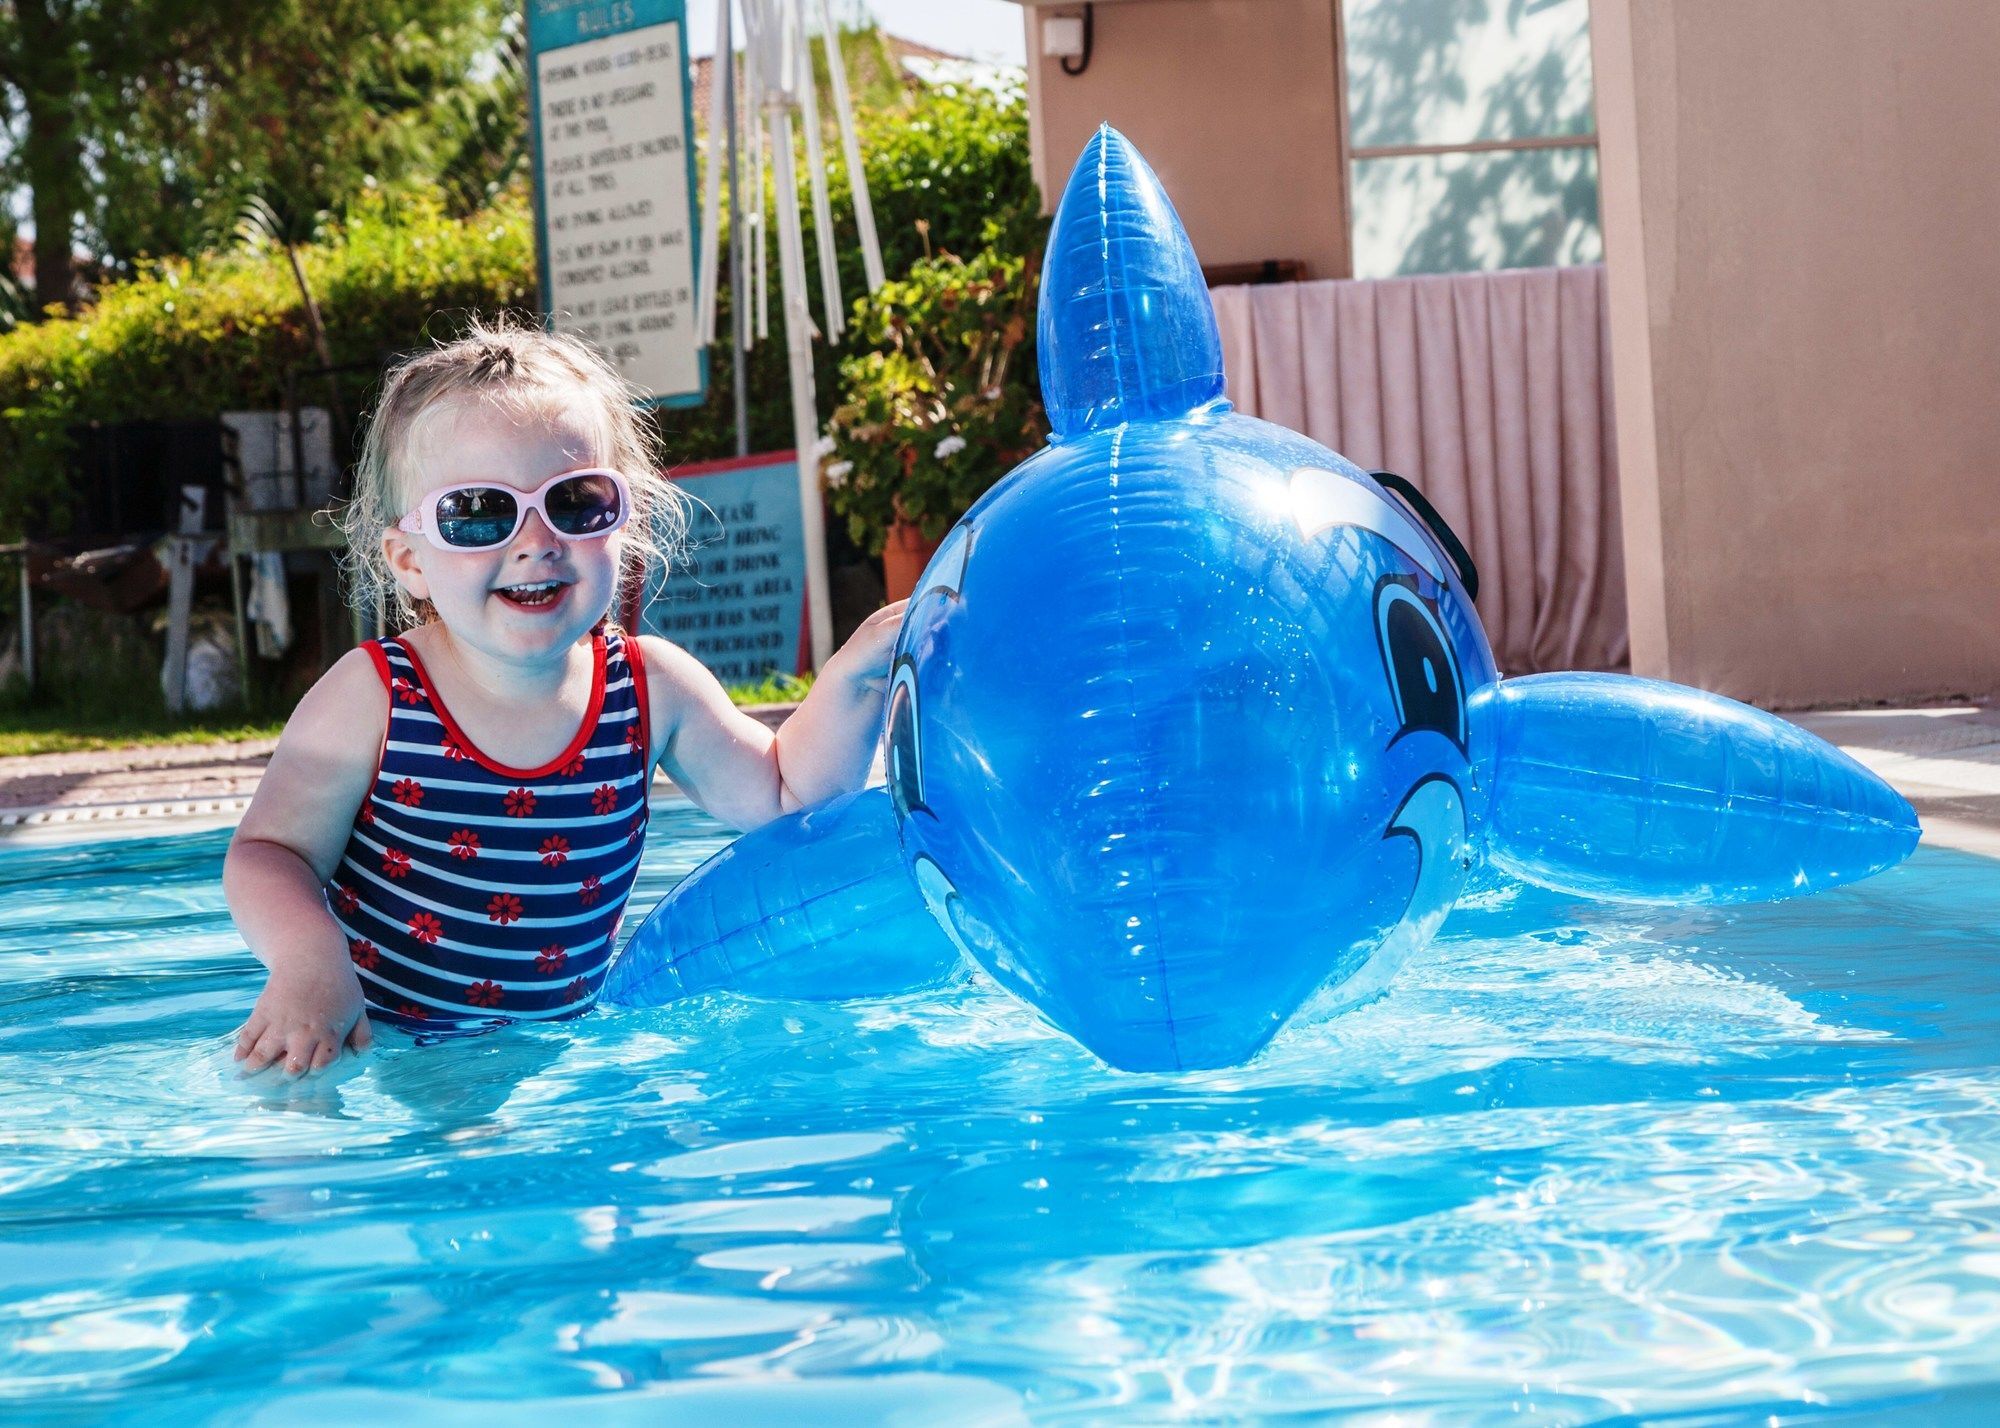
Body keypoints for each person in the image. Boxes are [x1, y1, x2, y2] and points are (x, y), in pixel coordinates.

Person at [224, 319, 904, 1077]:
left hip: (558, 1066)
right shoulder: (374, 697)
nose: (535, 539)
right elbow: (267, 852)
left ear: (629, 522)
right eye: (477, 512)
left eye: (577, 502)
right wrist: (309, 963)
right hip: (371, 1056)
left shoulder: (649, 690)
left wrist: (854, 676)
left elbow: (788, 800)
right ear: (409, 560)